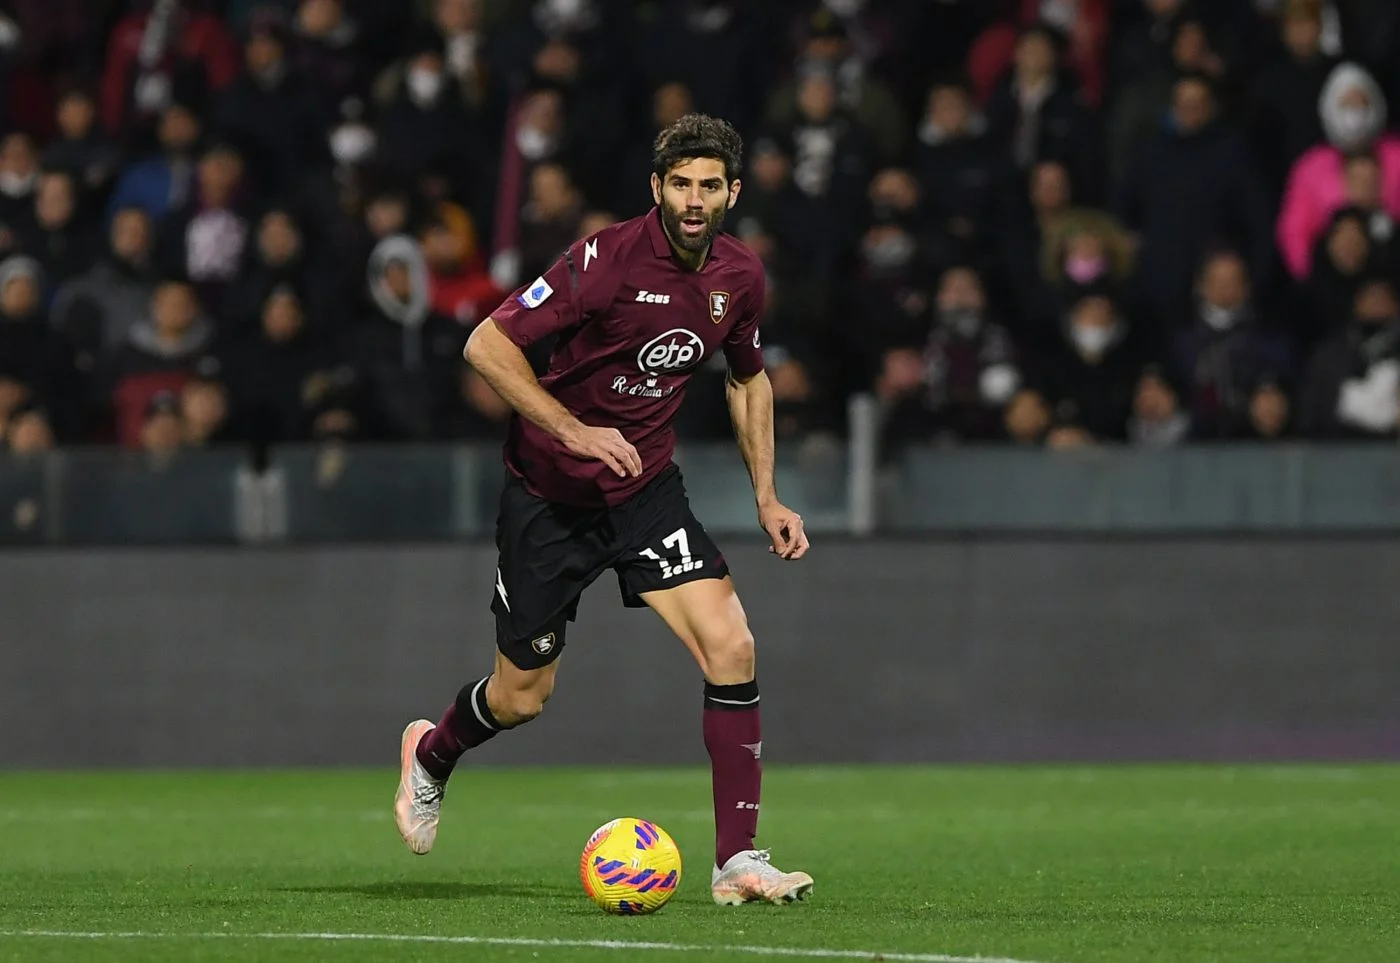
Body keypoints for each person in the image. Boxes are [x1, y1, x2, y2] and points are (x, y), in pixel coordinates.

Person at [393, 114, 814, 906]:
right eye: (681, 184)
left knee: (732, 645)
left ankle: (738, 859)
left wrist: (766, 493)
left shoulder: (740, 275)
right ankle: (433, 751)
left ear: (733, 193)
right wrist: (574, 429)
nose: (695, 200)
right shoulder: (606, 259)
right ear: (657, 188)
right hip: (550, 496)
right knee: (522, 696)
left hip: (645, 493)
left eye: (710, 185)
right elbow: (487, 344)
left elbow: (747, 377)